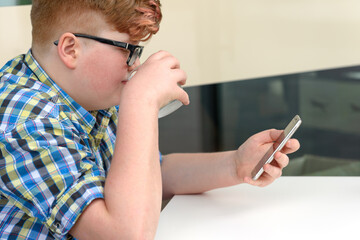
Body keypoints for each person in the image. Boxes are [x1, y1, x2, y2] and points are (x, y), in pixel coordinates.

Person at [0, 0, 300, 239]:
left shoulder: (84, 93)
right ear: (70, 49)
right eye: (128, 50)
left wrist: (235, 164)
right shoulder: (25, 122)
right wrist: (140, 101)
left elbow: (155, 171)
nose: (136, 65)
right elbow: (124, 235)